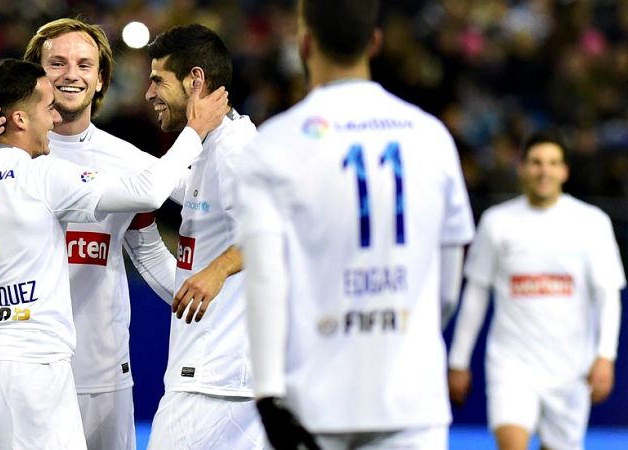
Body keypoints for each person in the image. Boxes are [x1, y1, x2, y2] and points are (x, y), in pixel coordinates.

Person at [0, 18, 226, 450]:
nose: (72, 74)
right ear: (36, 77)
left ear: (101, 78)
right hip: (37, 365)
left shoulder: (126, 160)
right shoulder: (10, 161)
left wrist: (208, 301)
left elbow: (155, 245)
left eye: (85, 64)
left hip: (99, 377)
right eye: (57, 63)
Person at [235, 0, 476, 449]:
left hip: (314, 403)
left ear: (305, 44)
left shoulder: (273, 145)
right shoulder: (432, 137)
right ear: (375, 42)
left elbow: (265, 280)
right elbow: (447, 287)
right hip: (412, 402)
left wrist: (267, 394)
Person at [447, 129, 625, 450]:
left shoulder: (591, 223)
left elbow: (608, 295)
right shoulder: (497, 222)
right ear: (522, 168)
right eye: (536, 162)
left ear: (564, 171)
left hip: (570, 370)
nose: (544, 171)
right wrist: (458, 361)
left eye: (553, 163)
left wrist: (605, 356)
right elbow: (476, 294)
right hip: (511, 365)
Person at [142, 24, 265, 449]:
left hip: (215, 386)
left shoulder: (234, 150)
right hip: (222, 381)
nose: (149, 93)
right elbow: (153, 182)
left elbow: (276, 229)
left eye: (158, 80)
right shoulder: (210, 149)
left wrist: (218, 271)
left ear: (195, 80)